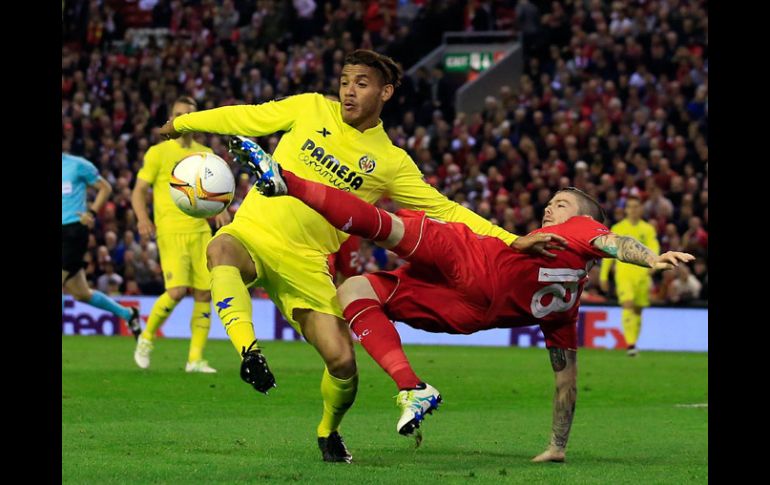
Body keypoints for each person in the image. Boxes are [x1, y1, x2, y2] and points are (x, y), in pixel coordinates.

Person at [157, 50, 560, 463]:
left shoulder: (389, 162)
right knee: (220, 248)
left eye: (361, 83)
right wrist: (183, 124)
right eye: (346, 80)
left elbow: (445, 210)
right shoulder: (310, 107)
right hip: (253, 233)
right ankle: (249, 352)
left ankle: (328, 431)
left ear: (385, 92)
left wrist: (511, 240)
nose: (349, 90)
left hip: (308, 262)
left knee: (343, 362)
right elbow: (245, 116)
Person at [243, 149, 693, 463]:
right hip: (468, 314)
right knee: (356, 290)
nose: (548, 209)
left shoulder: (579, 228)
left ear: (582, 216)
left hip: (473, 261)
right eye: (551, 203)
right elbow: (565, 382)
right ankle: (412, 387)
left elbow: (613, 240)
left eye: (559, 204)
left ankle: (287, 181)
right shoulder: (565, 309)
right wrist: (558, 445)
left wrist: (650, 257)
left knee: (385, 225)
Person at [131, 96, 231, 373]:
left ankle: (195, 359)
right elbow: (138, 190)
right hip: (171, 231)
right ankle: (146, 337)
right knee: (175, 292)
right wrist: (142, 218)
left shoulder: (205, 153)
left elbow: (213, 190)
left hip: (200, 230)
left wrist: (220, 208)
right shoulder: (158, 153)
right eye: (178, 114)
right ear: (170, 118)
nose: (182, 119)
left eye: (188, 114)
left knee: (203, 294)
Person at [62, 148, 141, 337]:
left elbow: (105, 187)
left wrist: (92, 212)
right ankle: (128, 314)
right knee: (81, 293)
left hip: (73, 231)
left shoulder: (77, 165)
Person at [599, 196, 660, 356]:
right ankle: (630, 345)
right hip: (624, 274)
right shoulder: (618, 228)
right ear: (625, 210)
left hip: (642, 275)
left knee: (638, 310)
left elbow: (654, 246)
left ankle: (634, 342)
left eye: (636, 206)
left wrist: (655, 262)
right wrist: (604, 275)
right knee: (628, 304)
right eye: (630, 207)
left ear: (641, 209)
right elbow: (609, 252)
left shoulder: (647, 229)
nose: (633, 210)